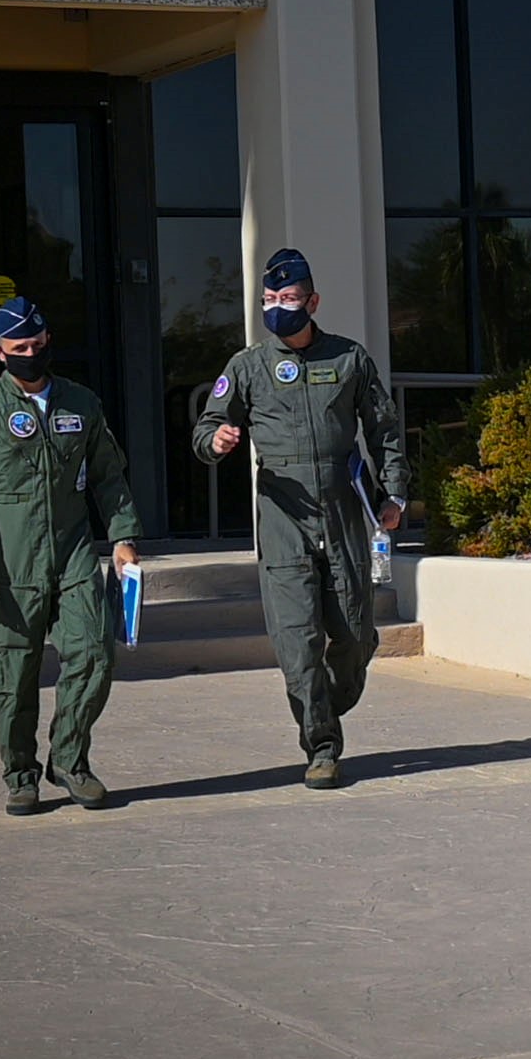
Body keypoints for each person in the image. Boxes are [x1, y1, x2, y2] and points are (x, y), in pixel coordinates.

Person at [192, 248, 408, 790]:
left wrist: (394, 497)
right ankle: (322, 746)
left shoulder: (350, 359)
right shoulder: (247, 367)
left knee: (356, 635)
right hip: (283, 512)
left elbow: (383, 432)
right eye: (269, 300)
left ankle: (327, 705)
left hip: (340, 506)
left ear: (312, 302)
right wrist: (216, 442)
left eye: (288, 299)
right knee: (297, 642)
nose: (278, 308)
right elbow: (206, 427)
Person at [0, 297, 141, 816]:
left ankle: (69, 758)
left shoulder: (80, 403)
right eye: (18, 347)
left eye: (37, 345)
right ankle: (20, 774)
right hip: (12, 560)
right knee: (14, 676)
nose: (30, 353)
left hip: (73, 555)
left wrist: (123, 536)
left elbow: (109, 476)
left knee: (94, 654)